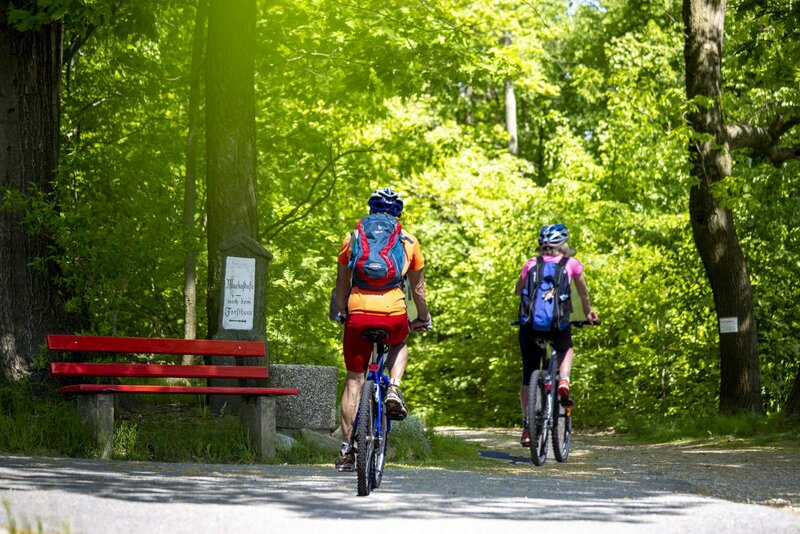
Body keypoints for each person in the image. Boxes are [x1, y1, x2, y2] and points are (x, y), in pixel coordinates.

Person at [334, 187, 432, 471]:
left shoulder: (352, 238)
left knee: (354, 381)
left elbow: (342, 282)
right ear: (398, 213)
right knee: (401, 341)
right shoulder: (408, 241)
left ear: (371, 210)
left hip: (358, 314)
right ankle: (394, 389)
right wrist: (422, 317)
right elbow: (418, 288)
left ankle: (345, 452)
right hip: (393, 315)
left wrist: (343, 310)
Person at [514, 223, 598, 447]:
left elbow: (518, 290)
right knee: (565, 348)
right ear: (563, 244)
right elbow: (582, 293)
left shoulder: (531, 264)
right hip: (557, 325)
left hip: (530, 325)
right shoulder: (571, 264)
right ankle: (564, 380)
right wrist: (588, 313)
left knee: (528, 374)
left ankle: (527, 427)